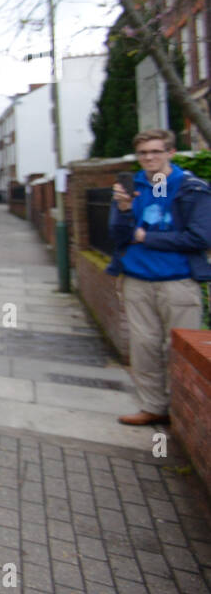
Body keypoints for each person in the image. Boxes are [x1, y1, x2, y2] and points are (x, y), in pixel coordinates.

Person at [108, 128, 211, 426]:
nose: (149, 158)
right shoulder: (131, 186)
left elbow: (201, 237)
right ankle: (153, 407)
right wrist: (125, 210)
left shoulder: (191, 189)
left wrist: (145, 237)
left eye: (156, 151)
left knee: (179, 349)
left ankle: (182, 412)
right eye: (143, 153)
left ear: (170, 153)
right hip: (137, 280)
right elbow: (117, 235)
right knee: (144, 347)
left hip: (178, 281)